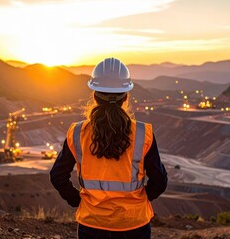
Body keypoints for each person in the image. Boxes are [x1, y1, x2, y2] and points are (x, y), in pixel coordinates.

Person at [50, 58, 168, 239]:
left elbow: (57, 175)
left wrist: (77, 200)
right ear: (126, 96)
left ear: (95, 95)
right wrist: (140, 202)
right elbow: (159, 181)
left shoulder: (77, 132)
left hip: (92, 223)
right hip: (134, 225)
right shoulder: (143, 133)